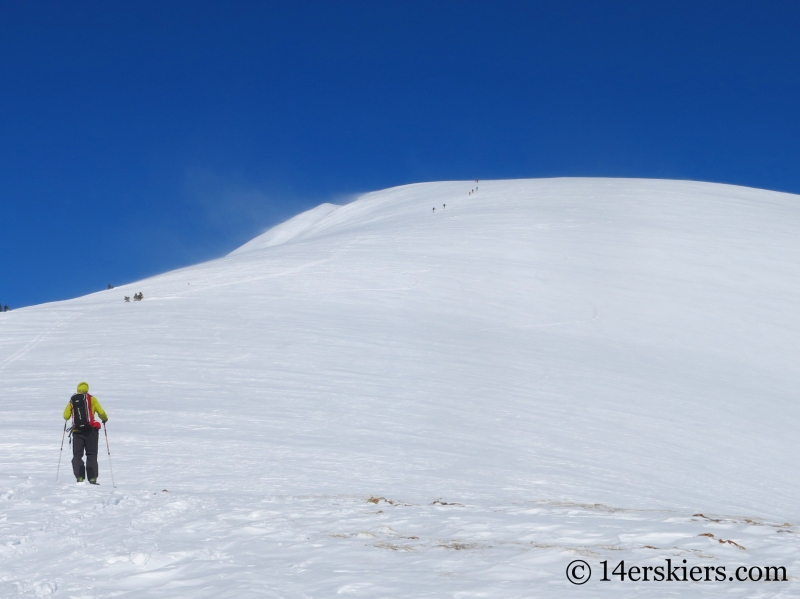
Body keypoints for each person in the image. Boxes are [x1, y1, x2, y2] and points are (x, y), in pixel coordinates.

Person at [63, 382, 108, 484]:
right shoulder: (91, 399)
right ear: (87, 389)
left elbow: (66, 416)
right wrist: (105, 419)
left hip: (77, 431)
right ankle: (92, 478)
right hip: (91, 431)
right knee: (91, 454)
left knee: (77, 455)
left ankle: (80, 477)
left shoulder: (73, 400)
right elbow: (101, 412)